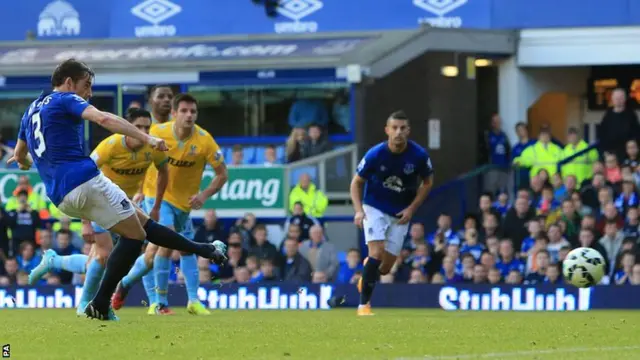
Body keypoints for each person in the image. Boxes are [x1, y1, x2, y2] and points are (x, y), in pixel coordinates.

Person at [11, 58, 226, 321]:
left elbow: (21, 156)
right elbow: (102, 118)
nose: (88, 93)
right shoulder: (65, 99)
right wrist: (147, 138)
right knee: (135, 237)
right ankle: (100, 304)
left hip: (61, 196)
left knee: (142, 225)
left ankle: (206, 250)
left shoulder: (30, 111)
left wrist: (26, 162)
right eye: (86, 85)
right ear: (68, 83)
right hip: (85, 180)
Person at [26, 108, 174, 314]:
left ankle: (55, 260)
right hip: (100, 200)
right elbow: (83, 178)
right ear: (128, 128)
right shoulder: (109, 146)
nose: (142, 131)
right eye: (138, 127)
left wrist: (155, 204)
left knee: (102, 260)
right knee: (104, 255)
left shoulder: (152, 146)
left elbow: (162, 172)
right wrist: (85, 222)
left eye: (146, 127)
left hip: (126, 205)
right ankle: (85, 304)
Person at [111, 93, 229, 316]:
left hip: (184, 204)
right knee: (167, 241)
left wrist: (204, 195)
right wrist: (137, 190)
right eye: (184, 111)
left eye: (193, 111)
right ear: (174, 114)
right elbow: (140, 156)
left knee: (183, 248)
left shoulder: (204, 140)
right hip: (156, 197)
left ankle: (191, 300)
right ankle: (160, 303)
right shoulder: (158, 133)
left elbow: (222, 174)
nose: (189, 115)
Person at [350, 110, 433, 316]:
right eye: (394, 128)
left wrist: (412, 209)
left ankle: (367, 275)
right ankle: (364, 306)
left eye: (402, 128)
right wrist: (359, 210)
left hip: (400, 213)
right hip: (374, 207)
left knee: (385, 268)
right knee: (375, 253)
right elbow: (356, 183)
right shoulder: (375, 154)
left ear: (408, 131)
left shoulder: (419, 155)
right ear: (387, 130)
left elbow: (428, 181)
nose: (398, 132)